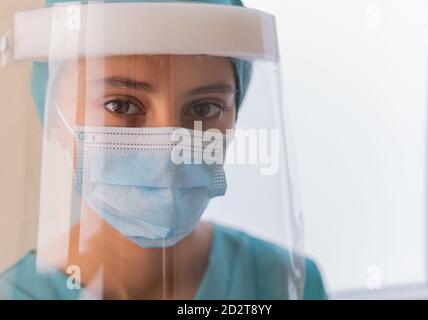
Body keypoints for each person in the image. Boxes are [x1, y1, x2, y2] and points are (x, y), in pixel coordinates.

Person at [0, 0, 327, 300]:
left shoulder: (284, 284)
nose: (171, 153)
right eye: (122, 104)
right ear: (56, 116)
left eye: (204, 109)